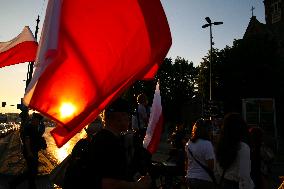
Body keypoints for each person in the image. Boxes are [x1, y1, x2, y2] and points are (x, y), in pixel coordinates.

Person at [63, 97, 152, 189]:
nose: (129, 119)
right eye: (127, 115)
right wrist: (137, 185)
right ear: (119, 117)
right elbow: (108, 184)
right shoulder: (111, 143)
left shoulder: (101, 137)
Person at [215, 112, 254, 189]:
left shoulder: (220, 145)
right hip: (236, 184)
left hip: (224, 182)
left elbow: (216, 170)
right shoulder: (243, 147)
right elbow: (244, 176)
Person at [9, 112, 45, 189]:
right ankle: (13, 183)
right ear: (34, 120)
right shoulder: (29, 128)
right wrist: (29, 153)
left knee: (32, 170)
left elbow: (38, 137)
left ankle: (30, 185)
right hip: (30, 152)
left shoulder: (35, 128)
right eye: (38, 121)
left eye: (39, 121)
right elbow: (27, 141)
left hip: (34, 151)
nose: (38, 122)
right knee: (32, 171)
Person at [185, 119, 215, 189]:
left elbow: (186, 161)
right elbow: (211, 165)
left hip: (190, 177)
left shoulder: (189, 143)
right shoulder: (207, 144)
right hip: (204, 179)